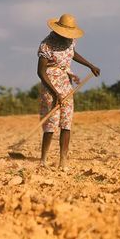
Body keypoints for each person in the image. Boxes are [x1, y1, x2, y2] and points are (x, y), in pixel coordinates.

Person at [38, 13, 100, 170]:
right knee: (51, 122)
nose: (67, 37)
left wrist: (90, 65)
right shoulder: (46, 45)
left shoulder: (70, 41)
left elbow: (72, 54)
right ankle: (43, 160)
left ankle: (63, 161)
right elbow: (41, 72)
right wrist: (54, 93)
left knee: (66, 122)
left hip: (65, 84)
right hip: (50, 84)